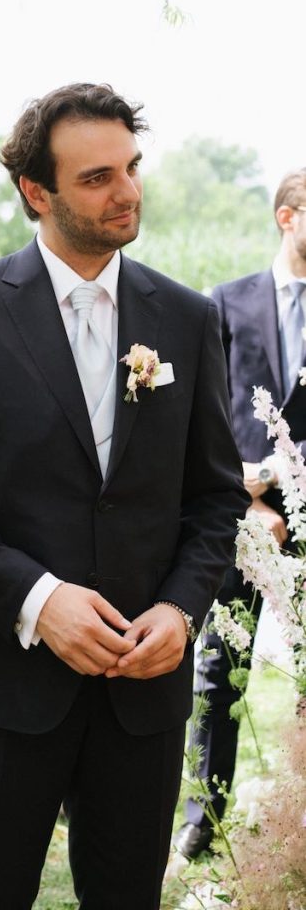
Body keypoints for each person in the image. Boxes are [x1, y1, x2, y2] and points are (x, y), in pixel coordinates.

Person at [0, 82, 249, 910]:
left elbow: (214, 497)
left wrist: (178, 611)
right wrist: (37, 601)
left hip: (144, 688)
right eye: (96, 177)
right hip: (4, 686)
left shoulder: (187, 316)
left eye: (130, 167)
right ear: (36, 191)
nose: (126, 190)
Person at [174, 166, 306, 859]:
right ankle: (204, 814)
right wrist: (248, 495)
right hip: (240, 510)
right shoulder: (225, 302)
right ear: (287, 217)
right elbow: (203, 413)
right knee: (221, 659)